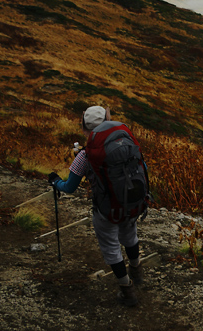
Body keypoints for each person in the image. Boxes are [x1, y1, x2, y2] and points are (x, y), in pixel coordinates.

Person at [48, 106, 144, 307]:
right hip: (132, 201)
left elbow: (70, 187)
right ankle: (137, 270)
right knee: (129, 235)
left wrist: (55, 181)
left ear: (84, 129)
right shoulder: (125, 143)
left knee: (110, 245)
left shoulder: (85, 155)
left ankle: (127, 291)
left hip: (106, 209)